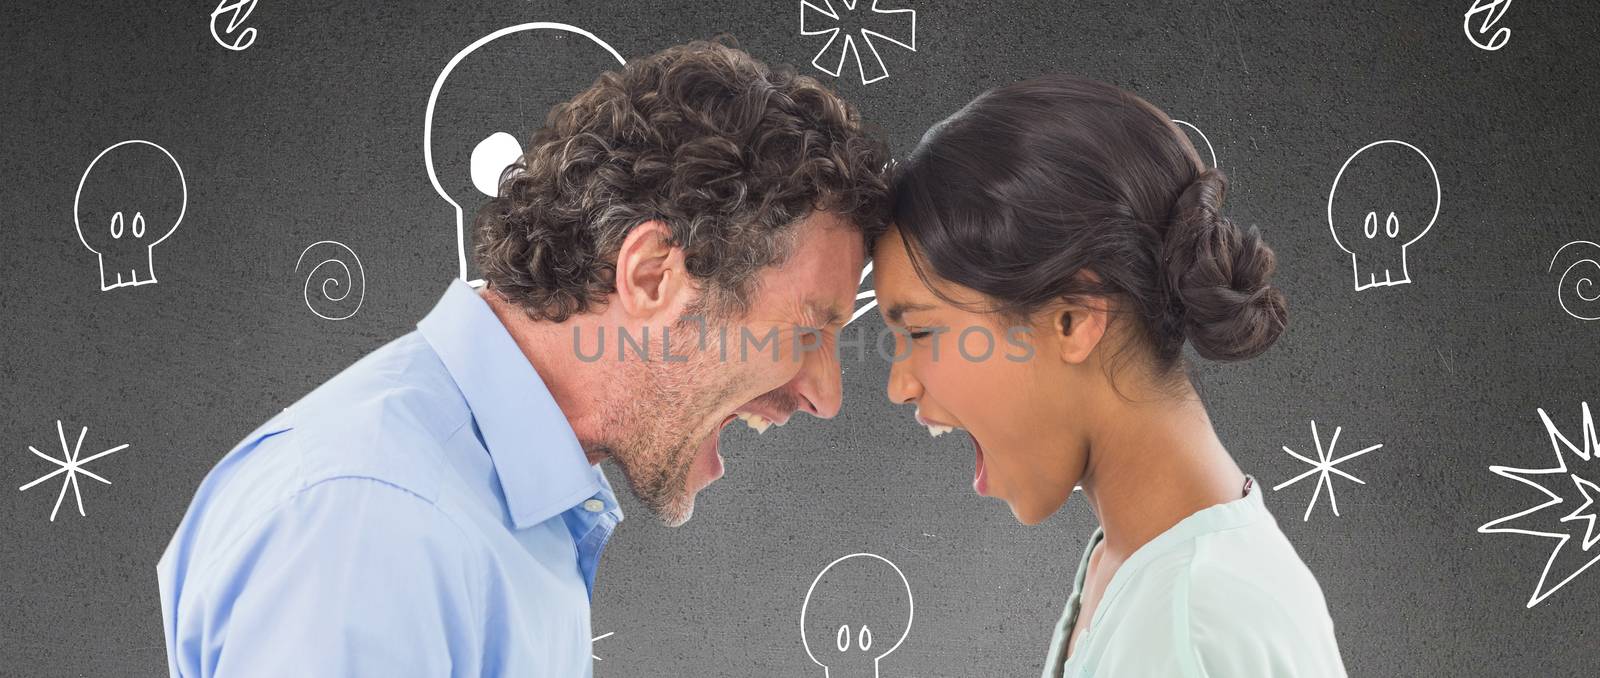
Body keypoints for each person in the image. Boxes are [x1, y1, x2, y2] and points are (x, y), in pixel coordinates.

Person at [156, 39, 892, 677]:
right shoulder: (373, 522)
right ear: (651, 275)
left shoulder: (504, 512)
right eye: (806, 329)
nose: (824, 394)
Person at [871, 74, 1349, 677]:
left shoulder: (1192, 619)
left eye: (919, 332)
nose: (900, 386)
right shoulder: (1133, 565)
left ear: (1073, 319)